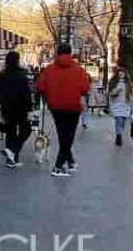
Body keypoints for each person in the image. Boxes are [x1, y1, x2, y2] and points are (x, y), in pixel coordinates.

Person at [36, 44, 91, 177]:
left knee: (62, 133)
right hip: (73, 106)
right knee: (69, 134)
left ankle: (70, 161)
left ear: (57, 53)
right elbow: (85, 89)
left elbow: (40, 87)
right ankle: (58, 166)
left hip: (55, 106)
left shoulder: (49, 69)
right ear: (71, 53)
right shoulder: (79, 70)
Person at [0, 51, 32, 168]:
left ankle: (11, 159)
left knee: (10, 132)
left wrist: (3, 100)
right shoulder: (22, 75)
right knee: (26, 130)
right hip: (20, 108)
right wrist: (29, 108)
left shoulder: (3, 75)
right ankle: (14, 152)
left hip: (7, 108)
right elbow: (27, 94)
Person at [108, 67, 133, 146]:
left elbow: (131, 95)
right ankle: (119, 136)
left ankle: (119, 132)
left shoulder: (128, 83)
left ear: (125, 74)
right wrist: (116, 90)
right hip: (116, 104)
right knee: (118, 120)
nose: (121, 75)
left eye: (122, 74)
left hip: (125, 105)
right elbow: (110, 93)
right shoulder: (113, 82)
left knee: (122, 121)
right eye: (119, 74)